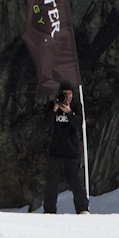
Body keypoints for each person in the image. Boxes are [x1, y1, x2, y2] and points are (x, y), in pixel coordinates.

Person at [42, 82, 89, 214]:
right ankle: (49, 209)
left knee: (77, 182)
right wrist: (55, 108)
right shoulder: (52, 105)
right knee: (52, 182)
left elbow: (78, 124)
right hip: (55, 151)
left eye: (69, 94)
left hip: (72, 151)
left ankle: (82, 208)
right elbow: (46, 122)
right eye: (65, 94)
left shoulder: (76, 105)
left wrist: (69, 112)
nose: (67, 97)